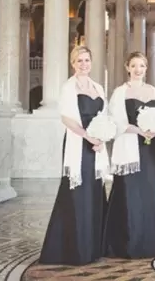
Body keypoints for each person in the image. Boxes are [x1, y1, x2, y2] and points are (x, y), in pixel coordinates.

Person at [37, 46, 109, 265]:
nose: (84, 64)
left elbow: (104, 117)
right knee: (77, 193)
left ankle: (93, 246)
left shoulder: (98, 86)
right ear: (73, 63)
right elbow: (67, 119)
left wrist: (102, 139)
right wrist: (89, 137)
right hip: (79, 143)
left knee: (94, 192)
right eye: (80, 61)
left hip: (96, 145)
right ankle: (74, 248)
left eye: (87, 60)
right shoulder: (69, 87)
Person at [103, 52, 155, 259]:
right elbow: (116, 121)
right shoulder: (120, 92)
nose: (138, 70)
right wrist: (140, 130)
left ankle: (151, 242)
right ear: (127, 67)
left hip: (151, 148)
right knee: (129, 192)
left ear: (147, 68)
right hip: (130, 146)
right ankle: (127, 243)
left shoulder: (154, 91)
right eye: (134, 66)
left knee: (149, 192)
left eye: (142, 66)